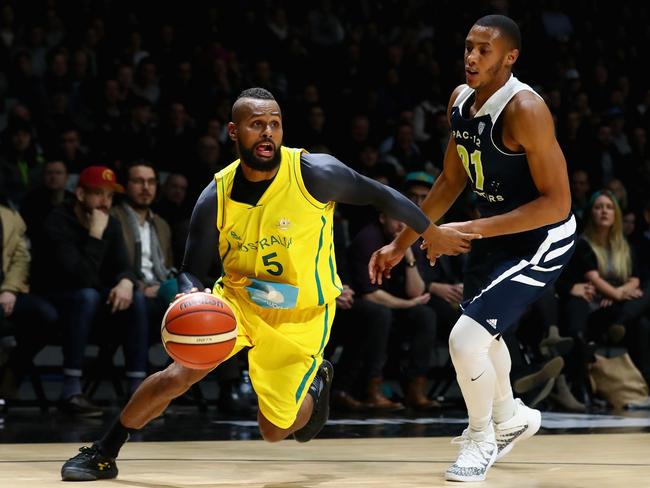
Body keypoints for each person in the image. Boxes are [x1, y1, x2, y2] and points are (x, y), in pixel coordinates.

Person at [60, 87, 480, 481]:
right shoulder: (215, 194)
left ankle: (318, 383)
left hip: (301, 314)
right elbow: (191, 269)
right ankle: (103, 451)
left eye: (274, 124)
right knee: (177, 375)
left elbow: (380, 195)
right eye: (256, 124)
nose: (267, 133)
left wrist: (430, 231)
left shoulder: (314, 173)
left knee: (275, 431)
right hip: (237, 302)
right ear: (234, 131)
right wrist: (192, 293)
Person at [369, 15, 574, 482]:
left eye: (484, 50)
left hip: (542, 238)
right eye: (467, 47)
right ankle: (512, 420)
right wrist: (402, 242)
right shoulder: (460, 101)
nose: (471, 57)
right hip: (492, 233)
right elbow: (451, 179)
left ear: (510, 57)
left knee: (464, 340)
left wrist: (472, 229)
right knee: (486, 338)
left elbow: (558, 202)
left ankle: (481, 437)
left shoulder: (525, 109)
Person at [33, 165, 149, 417]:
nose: (105, 202)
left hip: (93, 301)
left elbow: (124, 267)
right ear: (80, 194)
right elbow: (80, 277)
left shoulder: (112, 224)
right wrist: (95, 234)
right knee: (87, 296)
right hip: (55, 299)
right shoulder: (57, 221)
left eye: (109, 195)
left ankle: (139, 392)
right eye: (98, 193)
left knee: (136, 299)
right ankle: (71, 391)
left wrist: (127, 281)